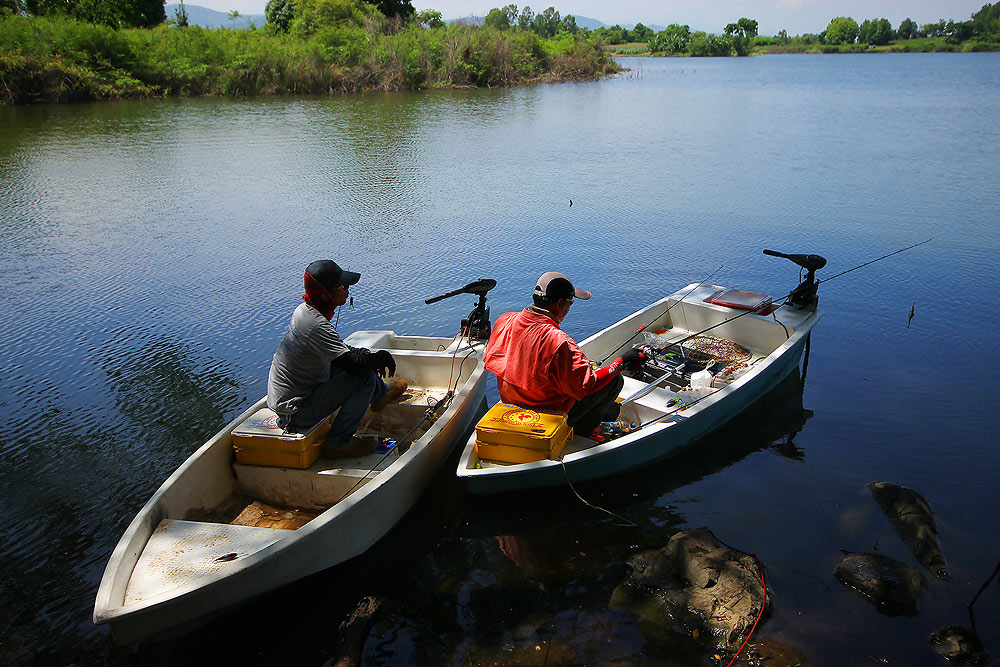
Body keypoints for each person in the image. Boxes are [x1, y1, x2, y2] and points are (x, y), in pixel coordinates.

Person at [267, 259, 407, 457]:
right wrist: (378, 359)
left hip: (293, 399)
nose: (347, 289)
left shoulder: (305, 311)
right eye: (342, 286)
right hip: (295, 413)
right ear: (324, 294)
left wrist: (372, 356)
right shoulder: (315, 324)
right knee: (363, 376)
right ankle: (338, 442)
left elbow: (341, 352)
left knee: (356, 361)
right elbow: (353, 366)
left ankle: (380, 396)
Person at [483, 271, 646, 439]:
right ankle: (581, 431)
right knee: (614, 381)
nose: (569, 308)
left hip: (513, 405)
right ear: (559, 303)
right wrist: (622, 361)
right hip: (547, 415)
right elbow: (588, 386)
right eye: (571, 302)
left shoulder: (505, 321)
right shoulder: (559, 342)